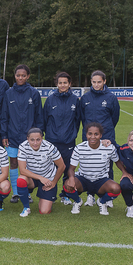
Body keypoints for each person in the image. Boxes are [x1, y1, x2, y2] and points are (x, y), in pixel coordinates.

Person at [63, 123, 127, 215]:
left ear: (101, 135)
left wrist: (124, 172)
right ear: (86, 135)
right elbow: (71, 169)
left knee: (116, 188)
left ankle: (102, 202)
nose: (93, 137)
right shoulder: (79, 148)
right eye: (90, 134)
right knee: (67, 185)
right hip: (83, 179)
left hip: (101, 180)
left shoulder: (108, 148)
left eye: (96, 134)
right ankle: (77, 201)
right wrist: (72, 179)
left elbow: (117, 161)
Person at [1, 64, 43, 203]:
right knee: (13, 163)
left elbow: (39, 116)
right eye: (18, 75)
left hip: (30, 138)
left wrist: (38, 136)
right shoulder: (8, 93)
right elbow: (4, 116)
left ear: (28, 76)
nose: (20, 78)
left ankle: (27, 193)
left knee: (27, 166)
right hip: (13, 135)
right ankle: (16, 193)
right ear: (15, 76)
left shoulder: (34, 93)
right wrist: (4, 135)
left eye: (23, 75)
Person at [80, 70, 120, 207]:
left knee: (107, 166)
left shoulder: (111, 97)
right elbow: (82, 118)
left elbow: (114, 118)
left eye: (99, 82)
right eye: (94, 82)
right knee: (88, 166)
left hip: (106, 138)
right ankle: (90, 195)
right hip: (89, 138)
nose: (96, 85)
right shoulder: (85, 98)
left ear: (104, 81)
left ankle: (106, 197)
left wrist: (106, 133)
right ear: (91, 82)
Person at [43, 72, 81, 206]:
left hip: (68, 141)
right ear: (56, 84)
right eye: (60, 83)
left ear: (69, 84)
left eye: (65, 83)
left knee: (66, 169)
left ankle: (65, 194)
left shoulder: (75, 100)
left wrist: (72, 134)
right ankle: (50, 192)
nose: (63, 85)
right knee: (51, 169)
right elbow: (45, 119)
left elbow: (77, 121)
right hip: (52, 140)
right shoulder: (50, 99)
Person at [17, 128, 66, 217]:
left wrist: (54, 183)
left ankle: (45, 197)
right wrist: (40, 178)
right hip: (32, 178)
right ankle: (26, 208)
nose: (35, 143)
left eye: (38, 140)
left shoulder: (49, 147)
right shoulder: (23, 147)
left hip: (48, 178)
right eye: (32, 140)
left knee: (44, 211)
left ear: (42, 139)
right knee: (21, 180)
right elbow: (22, 170)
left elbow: (62, 166)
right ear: (27, 139)